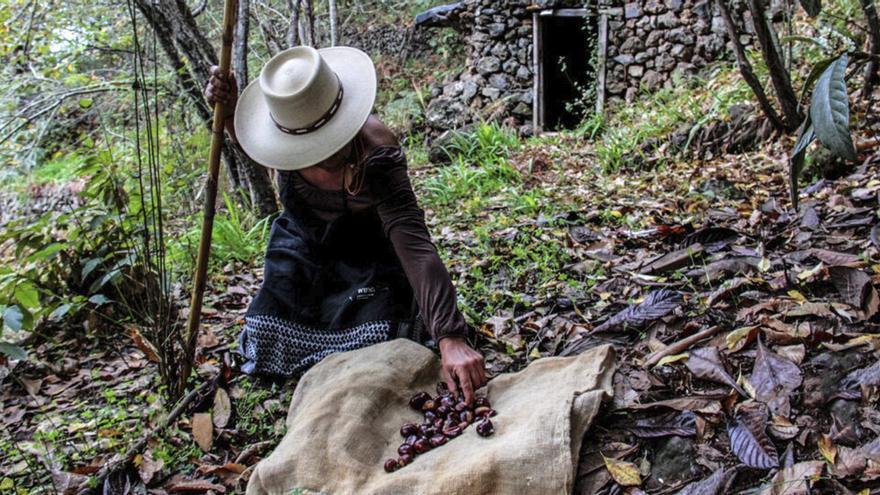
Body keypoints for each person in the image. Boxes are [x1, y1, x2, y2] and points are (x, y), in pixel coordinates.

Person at [205, 45, 486, 403]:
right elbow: (253, 149)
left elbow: (413, 244)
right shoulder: (283, 138)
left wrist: (450, 336)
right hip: (304, 247)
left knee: (380, 336)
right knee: (266, 331)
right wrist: (229, 116)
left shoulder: (377, 152)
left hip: (369, 252)